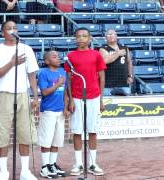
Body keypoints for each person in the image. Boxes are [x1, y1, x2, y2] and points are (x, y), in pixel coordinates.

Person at [0, 20, 39, 180]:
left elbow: (31, 74)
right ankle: (3, 172)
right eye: (8, 28)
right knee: (2, 132)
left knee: (25, 132)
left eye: (15, 28)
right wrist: (11, 63)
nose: (12, 30)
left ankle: (24, 171)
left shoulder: (26, 49)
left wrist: (35, 96)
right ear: (2, 33)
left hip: (23, 94)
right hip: (4, 95)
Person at [64, 27, 106, 176]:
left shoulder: (96, 55)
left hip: (94, 97)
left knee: (92, 130)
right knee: (77, 131)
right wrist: (70, 100)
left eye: (84, 36)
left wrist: (101, 100)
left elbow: (102, 77)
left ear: (90, 38)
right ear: (75, 39)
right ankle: (78, 163)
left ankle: (93, 163)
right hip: (77, 97)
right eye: (78, 36)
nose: (81, 38)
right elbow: (68, 79)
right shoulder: (70, 56)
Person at [37, 50, 69, 179]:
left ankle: (52, 164)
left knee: (57, 140)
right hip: (48, 111)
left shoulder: (63, 72)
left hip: (60, 110)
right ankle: (44, 167)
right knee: (47, 140)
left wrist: (65, 107)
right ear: (47, 61)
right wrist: (58, 84)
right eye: (54, 57)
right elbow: (44, 92)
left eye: (58, 56)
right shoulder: (43, 73)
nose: (58, 58)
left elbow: (66, 91)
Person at [99, 29, 133, 96]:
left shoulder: (124, 48)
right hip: (108, 84)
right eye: (109, 34)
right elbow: (105, 61)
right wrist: (118, 53)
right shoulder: (103, 48)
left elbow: (129, 62)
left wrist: (130, 76)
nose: (111, 36)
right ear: (106, 38)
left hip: (123, 83)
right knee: (108, 104)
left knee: (126, 104)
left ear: (117, 36)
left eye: (113, 34)